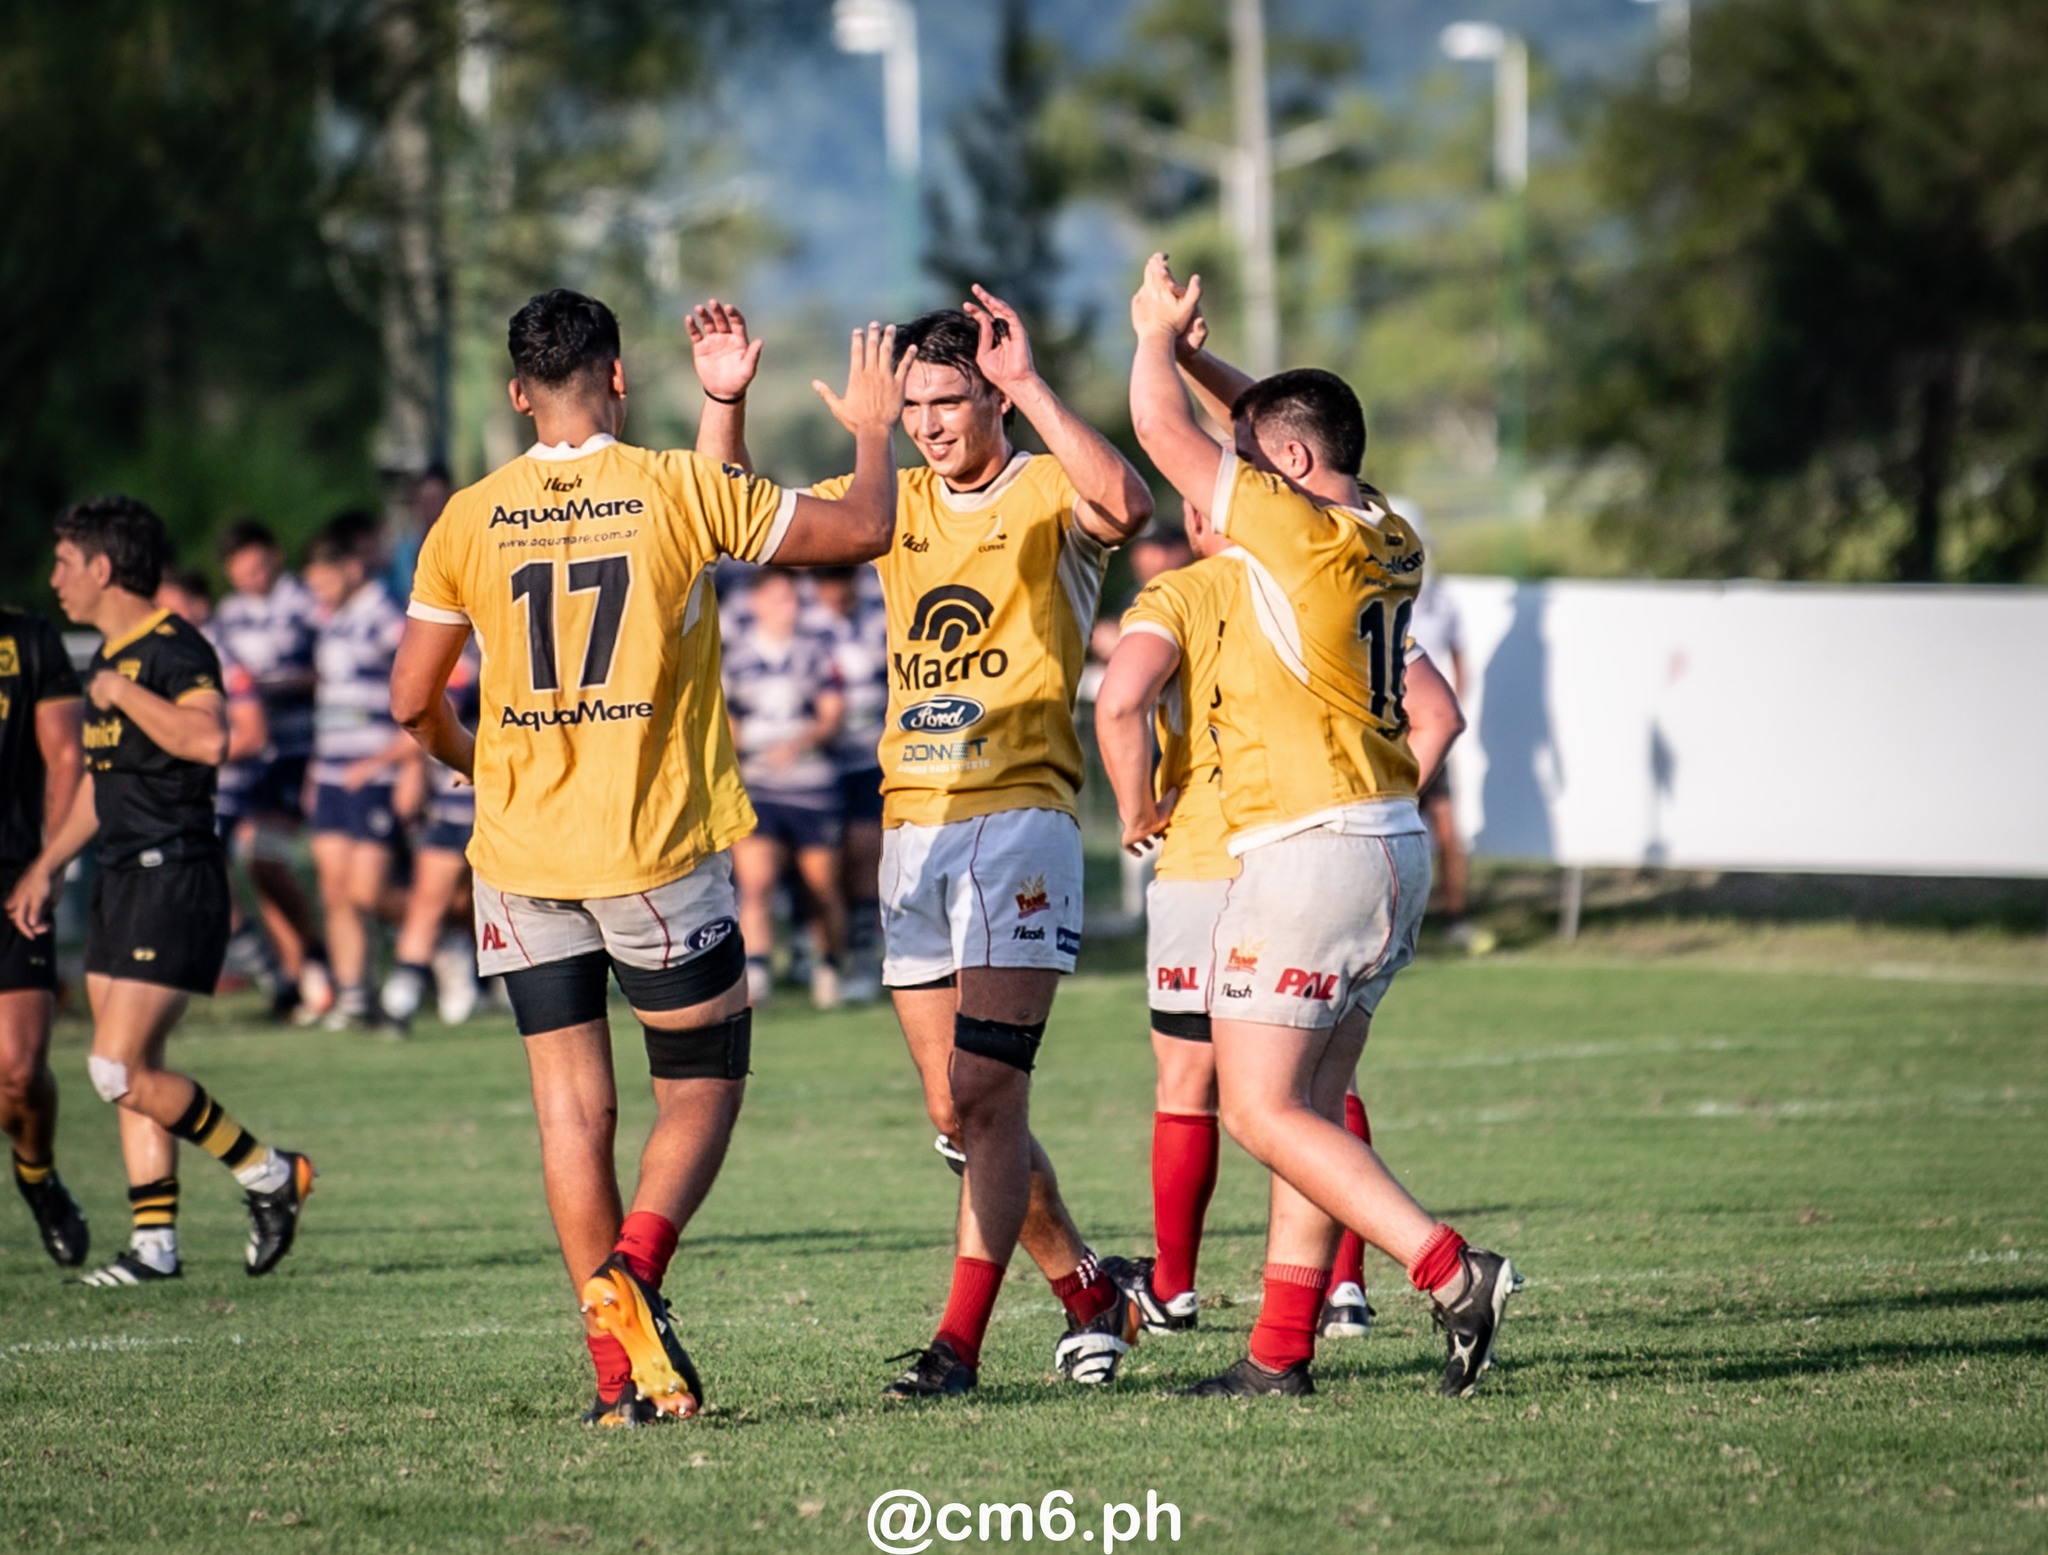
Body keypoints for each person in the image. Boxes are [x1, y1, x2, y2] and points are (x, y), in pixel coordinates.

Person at [390, 289, 912, 1426]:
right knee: (704, 1083)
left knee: (572, 1113)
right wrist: (872, 430)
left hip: (519, 854)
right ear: (620, 379)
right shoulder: (672, 484)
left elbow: (407, 699)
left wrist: (480, 766)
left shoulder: (469, 517)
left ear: (519, 394)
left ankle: (617, 1382)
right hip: (652, 849)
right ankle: (632, 1271)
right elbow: (864, 530)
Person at [697, 288, 1156, 1396]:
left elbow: (1130, 503)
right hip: (912, 824)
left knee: (989, 1097)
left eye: (950, 400)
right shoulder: (890, 500)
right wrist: (725, 401)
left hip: (1021, 820)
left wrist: (1033, 385)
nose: (932, 423)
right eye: (912, 406)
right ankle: (1091, 1293)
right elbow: (728, 511)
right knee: (955, 1113)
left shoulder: (1043, 486)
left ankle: (955, 1348)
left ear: (989, 398)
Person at [1126, 254, 1519, 1397]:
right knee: (1304, 1107)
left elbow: (1156, 422)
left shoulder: (1289, 539)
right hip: (1386, 836)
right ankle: (1276, 1354)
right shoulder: (1381, 527)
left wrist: (1156, 339)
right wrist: (1213, 363)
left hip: (1309, 847)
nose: (1227, 481)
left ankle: (1450, 1268)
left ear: (1289, 467)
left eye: (1248, 462)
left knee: (1252, 1105)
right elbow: (1279, 436)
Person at [1096, 494, 1469, 1379]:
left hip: (1212, 860)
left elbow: (1120, 703)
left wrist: (1139, 808)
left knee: (1207, 1089)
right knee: (1321, 1090)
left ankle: (1178, 1286)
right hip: (1342, 849)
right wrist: (1385, 799)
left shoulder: (1186, 591)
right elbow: (1440, 716)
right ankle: (1331, 1298)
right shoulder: (1328, 585)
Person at [6, 496, 313, 1287]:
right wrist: (47, 866)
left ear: (102, 568)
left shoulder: (175, 650)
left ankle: (271, 1173)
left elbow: (211, 738)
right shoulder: (111, 656)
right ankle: (153, 1244)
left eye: (65, 562)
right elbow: (98, 791)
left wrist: (123, 697)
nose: (55, 580)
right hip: (118, 877)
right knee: (133, 1067)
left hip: (173, 876)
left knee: (116, 1067)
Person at [0, 600, 89, 1268]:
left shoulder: (27, 639)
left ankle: (37, 1176)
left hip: (12, 878)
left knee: (20, 1071)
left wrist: (51, 860)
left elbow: (65, 755)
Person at [213, 520, 330, 1019]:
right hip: (257, 759)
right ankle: (299, 978)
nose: (252, 577)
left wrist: (277, 683)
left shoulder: (305, 602)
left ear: (276, 558)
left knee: (268, 859)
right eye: (241, 571)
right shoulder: (229, 615)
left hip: (302, 751)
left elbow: (335, 664)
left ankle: (317, 961)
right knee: (258, 865)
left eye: (259, 566)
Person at [304, 523, 415, 1031]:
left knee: (367, 891)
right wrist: (314, 770)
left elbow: (420, 690)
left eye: (325, 581)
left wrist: (408, 763)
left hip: (376, 771)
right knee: (335, 891)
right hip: (331, 775)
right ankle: (354, 995)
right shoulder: (332, 621)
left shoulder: (386, 618)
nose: (318, 593)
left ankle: (444, 941)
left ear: (351, 569)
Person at [723, 567, 847, 1009]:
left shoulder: (816, 651)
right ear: (755, 603)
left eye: (793, 599)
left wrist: (797, 743)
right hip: (759, 788)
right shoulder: (735, 656)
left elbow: (832, 715)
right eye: (778, 599)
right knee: (756, 883)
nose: (788, 608)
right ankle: (756, 976)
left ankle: (830, 967)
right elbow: (728, 720)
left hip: (812, 787)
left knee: (822, 888)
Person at [157, 569, 277, 996]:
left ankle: (269, 973)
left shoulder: (218, 656)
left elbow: (253, 733)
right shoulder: (172, 656)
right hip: (192, 790)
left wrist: (192, 751)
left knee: (199, 873)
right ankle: (269, 974)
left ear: (199, 606)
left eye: (171, 607)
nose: (162, 616)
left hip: (227, 790)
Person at [381, 634, 482, 1030]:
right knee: (429, 898)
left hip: (490, 798)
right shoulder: (447, 651)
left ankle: (490, 978)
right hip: (451, 802)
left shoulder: (473, 654)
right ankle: (400, 1000)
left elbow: (427, 715)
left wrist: (374, 764)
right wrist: (412, 772)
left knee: (489, 902)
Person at [810, 567, 888, 1002]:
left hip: (868, 754)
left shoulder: (879, 613)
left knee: (864, 850)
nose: (836, 589)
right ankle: (820, 955)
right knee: (819, 864)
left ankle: (861, 950)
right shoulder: (803, 620)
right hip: (815, 761)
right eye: (828, 579)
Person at [1407, 565, 1476, 945]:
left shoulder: (1442, 603)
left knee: (1446, 825)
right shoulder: (1372, 594)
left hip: (1425, 727)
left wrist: (1446, 710)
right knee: (1388, 825)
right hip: (1390, 731)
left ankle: (1455, 917)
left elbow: (1460, 660)